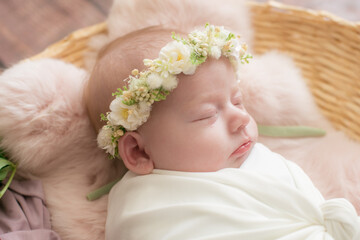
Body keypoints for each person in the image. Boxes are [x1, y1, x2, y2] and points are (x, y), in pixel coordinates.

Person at [84, 25, 360, 240]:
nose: (241, 118)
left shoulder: (257, 159)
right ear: (138, 151)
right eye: (207, 115)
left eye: (237, 101)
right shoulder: (147, 209)